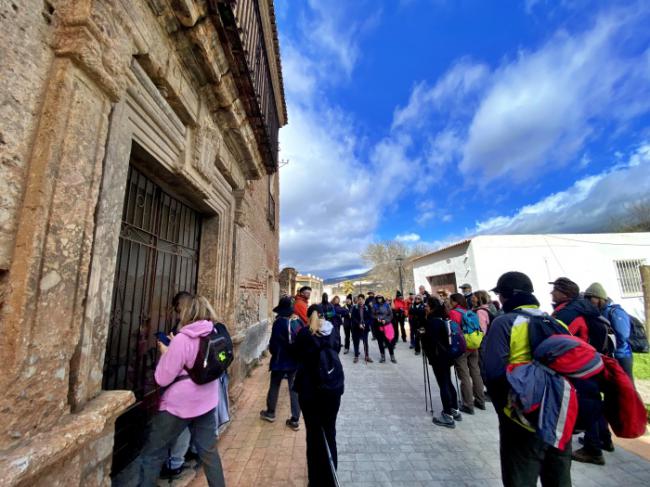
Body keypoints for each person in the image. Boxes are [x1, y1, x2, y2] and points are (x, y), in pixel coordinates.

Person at [482, 271, 572, 487]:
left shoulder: (504, 323)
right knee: (559, 479)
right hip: (560, 413)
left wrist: (505, 413)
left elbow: (493, 373)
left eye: (501, 295)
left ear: (508, 296)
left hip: (521, 417)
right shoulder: (556, 323)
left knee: (520, 479)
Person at [138, 296, 226, 487]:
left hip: (178, 406)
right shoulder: (214, 333)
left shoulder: (182, 339)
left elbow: (162, 378)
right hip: (207, 401)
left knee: (153, 453)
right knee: (209, 452)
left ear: (187, 313)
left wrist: (166, 353)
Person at [293, 307, 344, 487]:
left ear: (307, 317)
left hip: (310, 392)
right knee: (330, 432)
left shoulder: (304, 334)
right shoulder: (333, 331)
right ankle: (330, 479)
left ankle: (315, 481)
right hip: (332, 390)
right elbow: (336, 349)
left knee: (314, 437)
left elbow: (295, 354)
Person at [260, 296, 303, 430]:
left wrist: (274, 353)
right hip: (295, 360)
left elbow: (273, 344)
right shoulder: (298, 321)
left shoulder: (279, 322)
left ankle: (270, 412)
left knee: (274, 385)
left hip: (280, 360)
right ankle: (295, 419)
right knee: (294, 389)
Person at [420, 297, 462, 428]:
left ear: (432, 307)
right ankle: (455, 410)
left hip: (438, 357)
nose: (425, 307)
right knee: (448, 382)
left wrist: (422, 335)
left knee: (443, 384)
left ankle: (447, 415)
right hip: (447, 356)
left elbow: (430, 341)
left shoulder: (432, 321)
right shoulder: (443, 318)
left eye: (426, 305)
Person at [584, 282, 634, 378]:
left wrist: (611, 348)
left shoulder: (614, 312)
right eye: (587, 298)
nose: (589, 301)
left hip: (621, 356)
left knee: (627, 388)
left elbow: (623, 335)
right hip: (608, 357)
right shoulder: (598, 313)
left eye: (591, 298)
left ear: (599, 298)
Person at [449, 293, 485, 414]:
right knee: (476, 372)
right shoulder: (468, 311)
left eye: (451, 301)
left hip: (463, 346)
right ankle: (480, 400)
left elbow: (453, 331)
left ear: (455, 302)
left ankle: (468, 404)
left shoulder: (453, 313)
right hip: (474, 344)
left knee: (464, 375)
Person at [372, 294, 396, 363]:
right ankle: (382, 356)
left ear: (382, 298)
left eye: (380, 298)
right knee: (380, 342)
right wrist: (377, 318)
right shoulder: (375, 306)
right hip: (378, 326)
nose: (379, 299)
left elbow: (391, 315)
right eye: (378, 298)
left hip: (387, 325)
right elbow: (372, 314)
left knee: (388, 341)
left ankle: (392, 356)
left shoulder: (386, 305)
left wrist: (386, 320)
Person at [350, 294, 373, 363]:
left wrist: (365, 323)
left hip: (365, 328)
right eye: (359, 299)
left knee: (365, 342)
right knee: (356, 342)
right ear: (357, 300)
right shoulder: (354, 307)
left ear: (364, 300)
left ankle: (367, 356)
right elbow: (353, 318)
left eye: (362, 299)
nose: (360, 301)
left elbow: (370, 318)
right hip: (356, 327)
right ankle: (356, 356)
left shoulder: (367, 307)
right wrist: (359, 324)